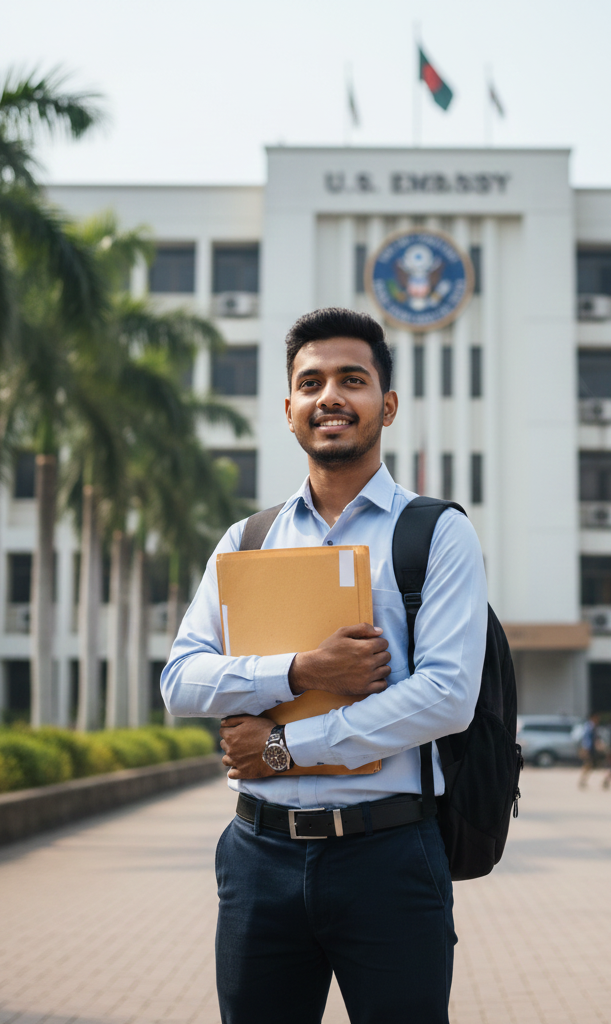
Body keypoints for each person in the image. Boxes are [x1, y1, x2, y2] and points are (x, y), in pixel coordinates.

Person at [161, 308, 488, 1024]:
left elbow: (447, 697)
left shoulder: (435, 533)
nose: (329, 396)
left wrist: (279, 748)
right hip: (258, 857)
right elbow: (180, 680)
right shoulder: (246, 540)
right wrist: (304, 670)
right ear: (288, 410)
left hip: (390, 857)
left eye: (353, 380)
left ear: (387, 405)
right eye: (311, 383)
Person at [577, 712, 600, 789]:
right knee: (587, 764)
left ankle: (583, 780)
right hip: (588, 748)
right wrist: (586, 748)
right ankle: (582, 780)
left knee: (588, 765)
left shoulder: (591, 726)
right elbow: (586, 738)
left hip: (590, 748)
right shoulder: (589, 726)